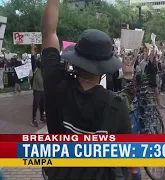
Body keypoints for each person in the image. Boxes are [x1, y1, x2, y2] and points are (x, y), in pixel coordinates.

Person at [41, 1, 131, 179]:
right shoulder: (116, 106)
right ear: (105, 66)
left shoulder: (55, 83)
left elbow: (48, 33)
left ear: (76, 58)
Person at [29, 44, 46, 127]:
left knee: (42, 105)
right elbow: (33, 58)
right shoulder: (35, 68)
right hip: (37, 91)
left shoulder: (45, 70)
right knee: (36, 104)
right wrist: (32, 49)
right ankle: (33, 119)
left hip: (43, 91)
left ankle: (42, 117)